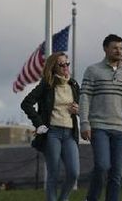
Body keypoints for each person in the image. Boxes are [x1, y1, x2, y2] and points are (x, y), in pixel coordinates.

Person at [79, 34, 122, 201]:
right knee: (102, 166)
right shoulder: (93, 70)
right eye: (115, 47)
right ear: (105, 48)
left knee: (117, 173)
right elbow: (85, 96)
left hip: (120, 130)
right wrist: (84, 123)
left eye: (121, 48)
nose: (119, 51)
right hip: (98, 127)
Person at [21, 52, 80, 201]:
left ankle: (63, 199)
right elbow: (26, 103)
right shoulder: (46, 85)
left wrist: (78, 110)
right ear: (54, 67)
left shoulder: (73, 84)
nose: (66, 67)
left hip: (69, 134)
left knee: (74, 173)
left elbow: (82, 109)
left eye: (67, 63)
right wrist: (39, 123)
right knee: (53, 173)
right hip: (52, 133)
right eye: (61, 64)